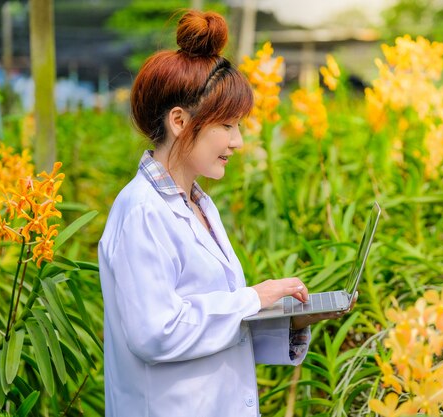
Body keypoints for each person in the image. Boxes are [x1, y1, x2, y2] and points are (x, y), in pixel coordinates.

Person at [98, 9, 352, 417]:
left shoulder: (197, 203)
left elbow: (216, 324)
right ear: (180, 121)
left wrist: (290, 321)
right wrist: (252, 298)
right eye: (228, 125)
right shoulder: (142, 212)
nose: (238, 142)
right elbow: (155, 333)